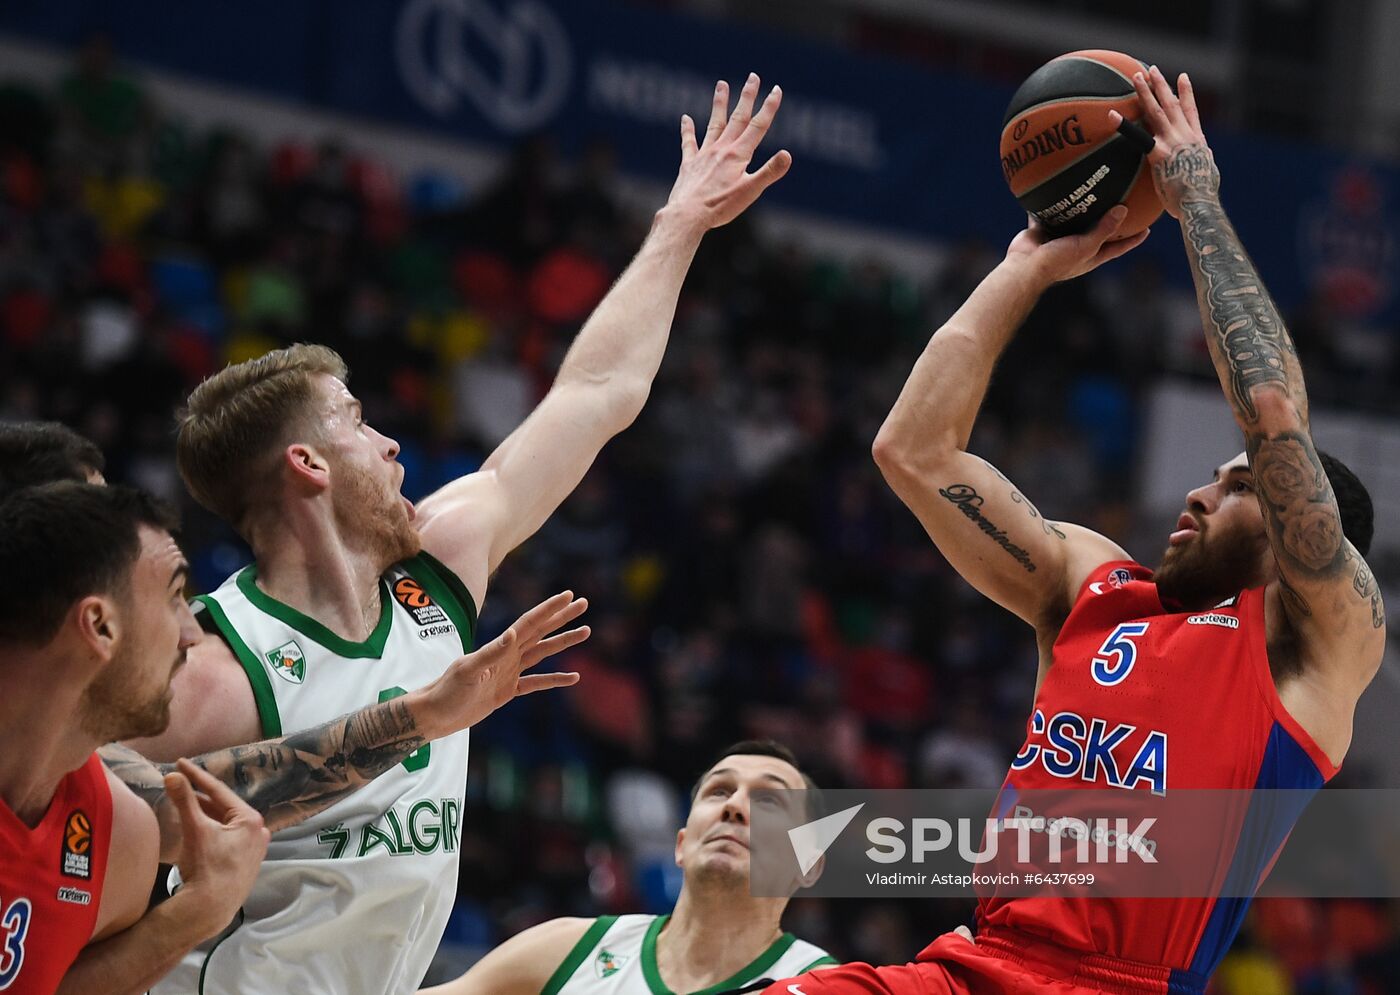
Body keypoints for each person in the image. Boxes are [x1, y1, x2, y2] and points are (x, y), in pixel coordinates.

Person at [135, 73, 792, 995]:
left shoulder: (438, 562)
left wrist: (679, 225)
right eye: (360, 422)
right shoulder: (210, 664)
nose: (392, 441)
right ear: (310, 467)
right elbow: (62, 833)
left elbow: (597, 396)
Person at [764, 67, 1386, 994]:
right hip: (971, 964)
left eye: (1240, 485)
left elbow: (1269, 408)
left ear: (1305, 529)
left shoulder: (1317, 646)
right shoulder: (1094, 585)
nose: (1200, 493)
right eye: (1212, 476)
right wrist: (1027, 267)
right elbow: (914, 451)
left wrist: (1197, 203)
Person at [0, 419, 589, 883]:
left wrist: (425, 715)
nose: (186, 631)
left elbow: (181, 811)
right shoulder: (207, 677)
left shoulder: (85, 779)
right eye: (98, 527)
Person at [0, 482, 268, 995]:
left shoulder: (119, 833)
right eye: (175, 597)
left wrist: (197, 913)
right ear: (99, 625)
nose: (192, 633)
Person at [422, 741, 835, 995]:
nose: (733, 806)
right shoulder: (571, 950)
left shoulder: (827, 985)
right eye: (719, 790)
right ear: (682, 843)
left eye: (769, 801)